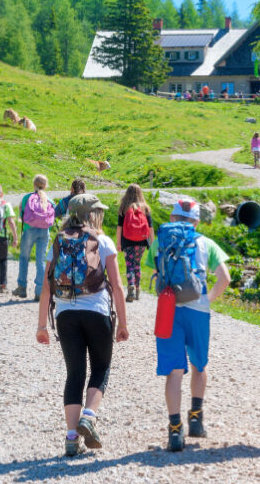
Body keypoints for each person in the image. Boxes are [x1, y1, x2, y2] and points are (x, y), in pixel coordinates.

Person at [36, 193, 128, 457]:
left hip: (65, 315)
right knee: (100, 367)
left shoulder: (58, 241)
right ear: (93, 215)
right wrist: (122, 322)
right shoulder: (103, 241)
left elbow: (46, 287)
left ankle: (71, 437)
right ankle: (89, 416)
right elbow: (118, 286)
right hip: (97, 312)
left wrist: (42, 325)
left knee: (74, 373)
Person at [146, 199, 230, 452]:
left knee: (173, 371)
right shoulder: (206, 243)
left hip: (168, 310)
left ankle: (174, 430)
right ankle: (196, 419)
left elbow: (153, 270)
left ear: (172, 218)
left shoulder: (161, 241)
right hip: (198, 311)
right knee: (199, 364)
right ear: (196, 221)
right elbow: (225, 278)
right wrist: (207, 300)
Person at [12, 174, 55, 302]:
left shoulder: (27, 198)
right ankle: (39, 292)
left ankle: (22, 288)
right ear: (46, 186)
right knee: (41, 260)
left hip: (29, 230)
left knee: (24, 257)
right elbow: (53, 217)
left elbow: (22, 215)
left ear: (34, 184)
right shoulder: (50, 200)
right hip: (44, 232)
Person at [116, 183, 155, 303]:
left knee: (130, 265)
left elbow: (119, 227)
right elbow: (151, 227)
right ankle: (137, 291)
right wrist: (152, 242)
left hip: (128, 241)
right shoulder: (145, 208)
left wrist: (118, 243)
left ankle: (131, 288)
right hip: (142, 241)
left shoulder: (124, 207)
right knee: (137, 264)